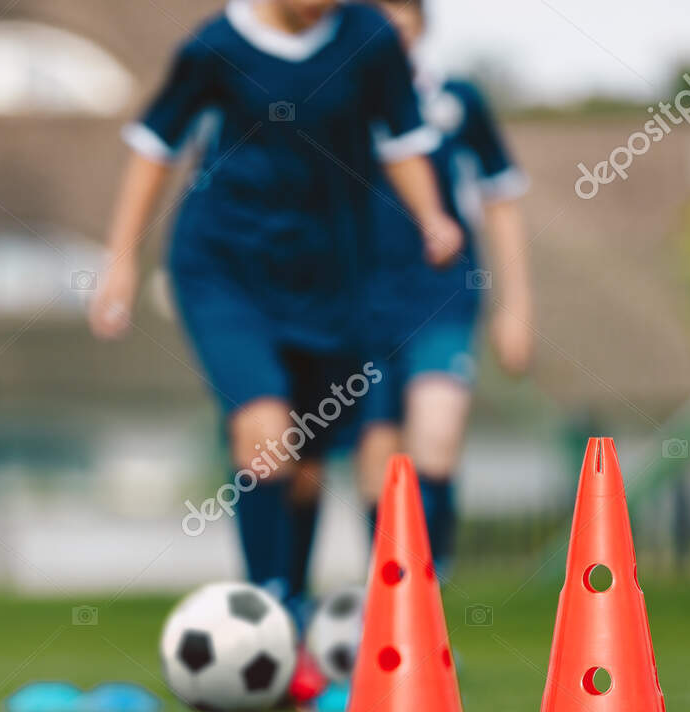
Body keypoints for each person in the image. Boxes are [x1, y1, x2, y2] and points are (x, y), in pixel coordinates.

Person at [89, 0, 463, 640]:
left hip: (328, 276)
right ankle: (270, 619)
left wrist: (432, 215)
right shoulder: (216, 46)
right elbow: (155, 145)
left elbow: (402, 138)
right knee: (265, 436)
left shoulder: (370, 38)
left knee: (307, 459)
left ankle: (292, 605)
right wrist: (120, 260)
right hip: (223, 268)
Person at [358, 0, 534, 576]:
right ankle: (384, 601)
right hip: (358, 299)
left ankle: (431, 591)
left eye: (401, 14)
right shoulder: (336, 102)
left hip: (443, 295)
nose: (390, 27)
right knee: (379, 458)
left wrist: (516, 307)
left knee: (434, 438)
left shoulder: (457, 101)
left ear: (421, 23)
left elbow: (500, 200)